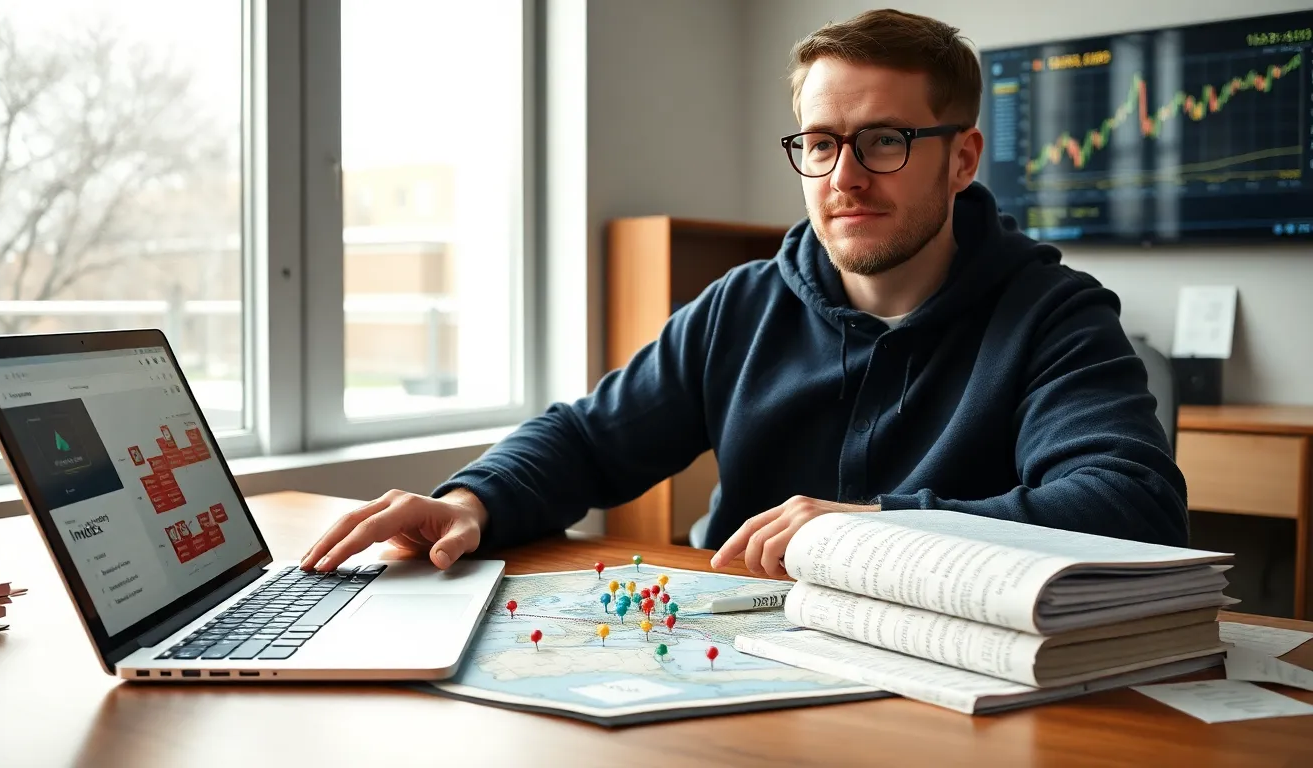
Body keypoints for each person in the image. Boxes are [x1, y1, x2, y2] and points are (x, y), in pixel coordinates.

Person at [300, 8, 1188, 580]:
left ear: (961, 158)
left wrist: (866, 528)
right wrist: (471, 501)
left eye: (884, 141)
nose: (844, 176)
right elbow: (586, 440)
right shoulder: (744, 304)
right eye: (819, 143)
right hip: (746, 642)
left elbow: (1131, 506)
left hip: (944, 678)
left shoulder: (1054, 315)